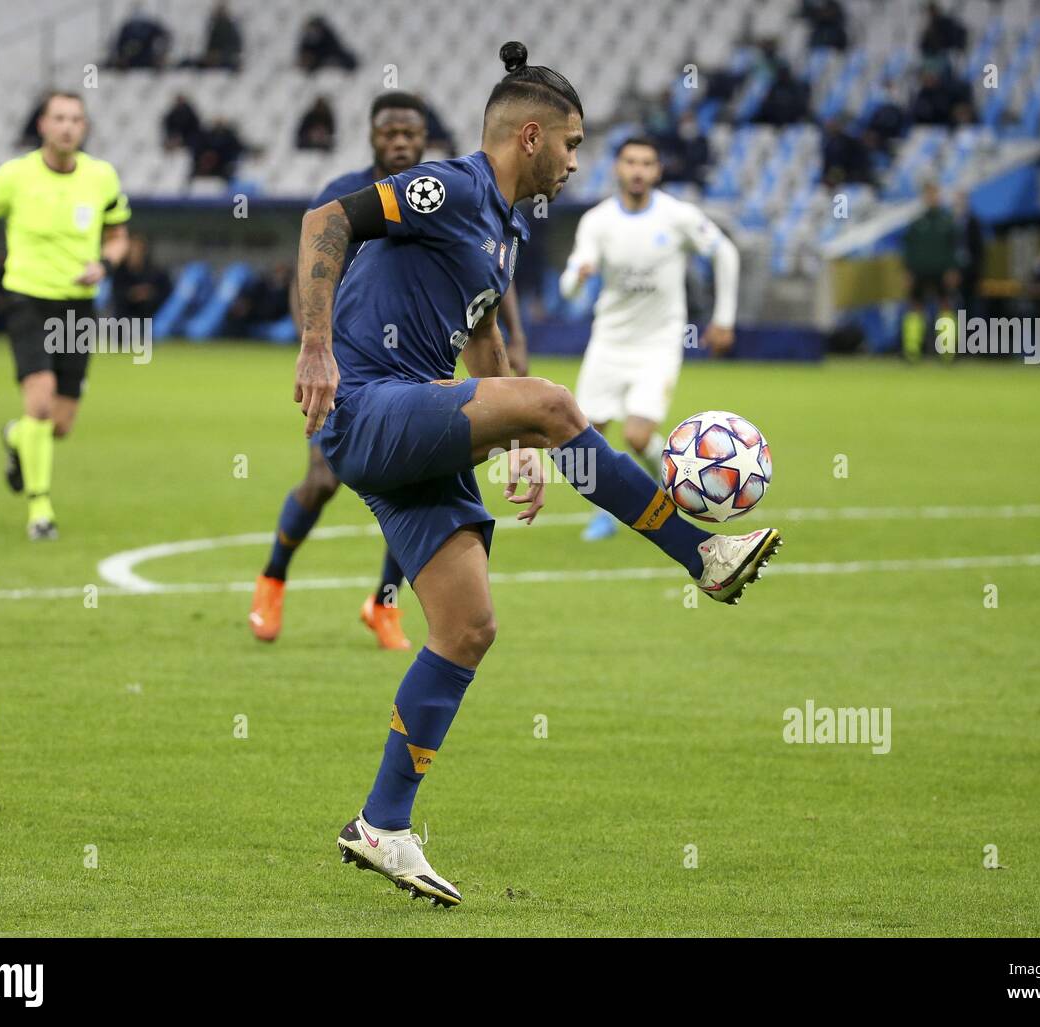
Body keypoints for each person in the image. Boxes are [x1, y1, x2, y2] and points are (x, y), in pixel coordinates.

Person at [294, 42, 782, 905]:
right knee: (558, 402)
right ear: (530, 136)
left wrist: (517, 441)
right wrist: (317, 344)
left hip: (411, 416)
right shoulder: (450, 187)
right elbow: (325, 219)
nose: (577, 161)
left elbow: (485, 344)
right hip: (366, 402)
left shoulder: (506, 232)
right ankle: (699, 555)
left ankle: (382, 824)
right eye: (573, 144)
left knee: (468, 624)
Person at [250, 91, 529, 649]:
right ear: (372, 136)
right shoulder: (345, 195)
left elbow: (489, 276)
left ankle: (383, 604)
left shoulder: (443, 191)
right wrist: (316, 347)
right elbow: (310, 264)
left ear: (423, 138)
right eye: (389, 132)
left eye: (410, 133)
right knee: (323, 479)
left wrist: (513, 342)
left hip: (420, 362)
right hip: (347, 367)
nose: (399, 141)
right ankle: (274, 578)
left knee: (417, 474)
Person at [0, 91, 131, 540]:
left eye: (76, 118)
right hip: (25, 299)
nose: (68, 126)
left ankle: (17, 437)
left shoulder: (100, 177)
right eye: (58, 117)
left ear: (84, 127)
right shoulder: (14, 176)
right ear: (42, 125)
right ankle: (41, 511)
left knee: (59, 424)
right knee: (38, 398)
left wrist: (105, 264)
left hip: (76, 306)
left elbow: (117, 237)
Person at [559, 136, 740, 541]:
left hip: (657, 344)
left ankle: (680, 490)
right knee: (587, 437)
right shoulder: (598, 221)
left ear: (657, 171)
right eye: (630, 162)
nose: (638, 170)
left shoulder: (677, 217)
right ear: (617, 169)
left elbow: (725, 252)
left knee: (638, 437)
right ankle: (604, 513)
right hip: (608, 342)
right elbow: (569, 283)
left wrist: (724, 319)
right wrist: (578, 277)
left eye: (647, 163)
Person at [901, 182, 959, 361]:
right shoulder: (917, 222)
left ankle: (947, 350)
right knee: (916, 308)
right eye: (929, 194)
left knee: (945, 307)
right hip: (919, 271)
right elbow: (908, 248)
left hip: (941, 271)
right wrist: (908, 271)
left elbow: (954, 248)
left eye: (934, 194)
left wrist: (952, 269)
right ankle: (912, 350)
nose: (932, 198)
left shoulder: (947, 221)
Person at [112, 233, 170, 320]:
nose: (134, 253)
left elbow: (167, 293)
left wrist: (150, 294)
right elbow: (116, 294)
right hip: (125, 315)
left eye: (138, 250)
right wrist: (132, 294)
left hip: (152, 315)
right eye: (131, 250)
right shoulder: (120, 272)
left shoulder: (155, 272)